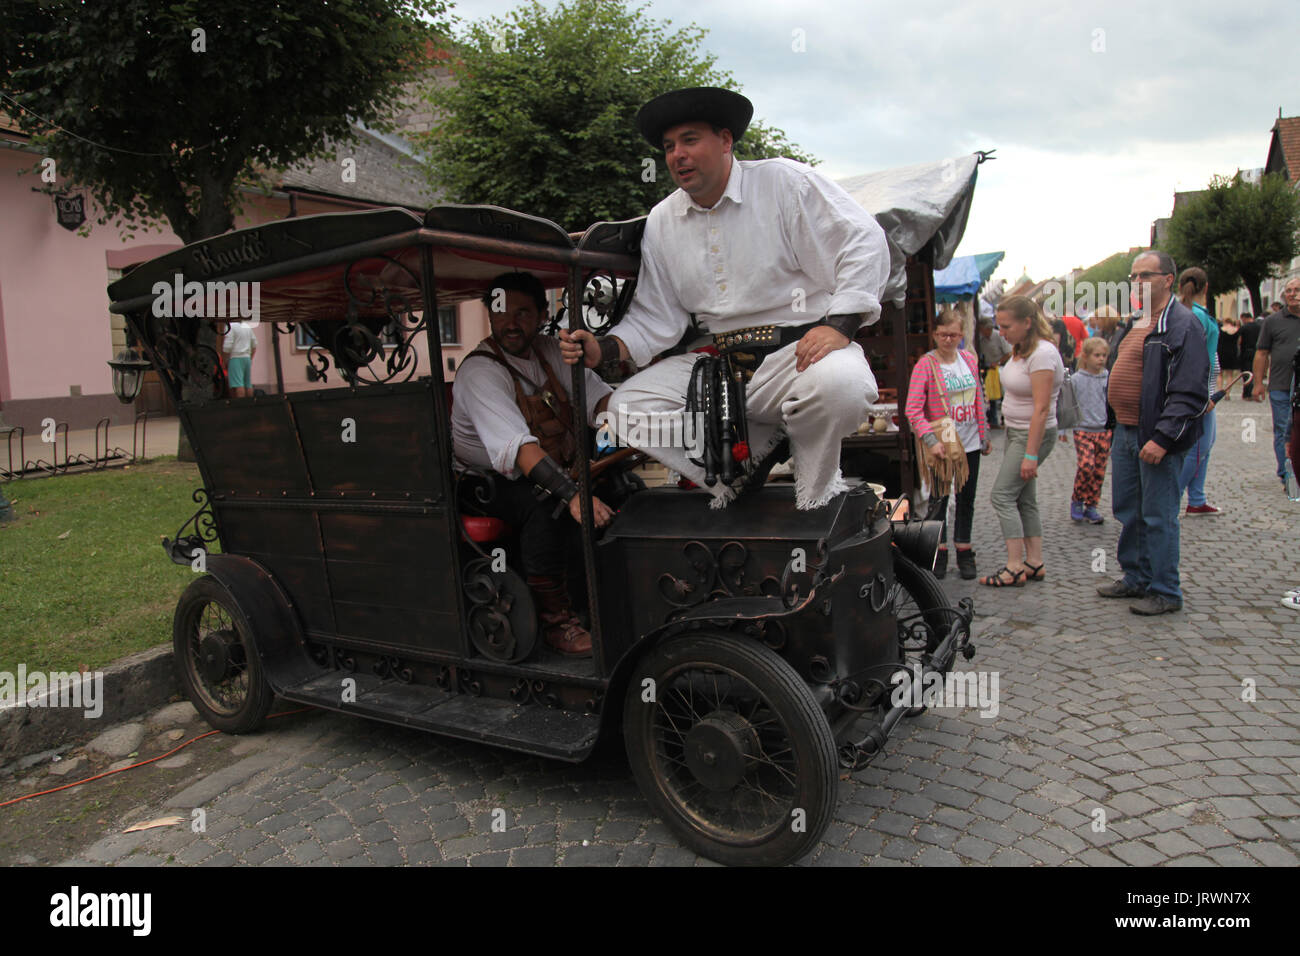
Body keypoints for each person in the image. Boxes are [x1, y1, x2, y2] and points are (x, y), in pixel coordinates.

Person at [560, 87, 889, 511]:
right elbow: (656, 318)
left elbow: (862, 241)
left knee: (840, 387)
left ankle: (815, 496)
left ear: (726, 141)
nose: (677, 154)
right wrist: (602, 347)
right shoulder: (663, 220)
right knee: (626, 409)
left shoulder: (783, 182)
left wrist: (839, 325)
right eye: (669, 146)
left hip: (799, 356)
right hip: (720, 371)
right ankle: (743, 470)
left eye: (690, 140)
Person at [453, 272, 615, 656]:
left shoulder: (549, 352)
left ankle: (606, 602)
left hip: (550, 470)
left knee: (621, 490)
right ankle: (557, 623)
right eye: (501, 312)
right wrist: (573, 494)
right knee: (546, 506)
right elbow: (519, 448)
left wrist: (630, 426)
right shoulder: (481, 370)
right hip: (485, 484)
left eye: (523, 312)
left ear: (543, 314)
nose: (511, 322)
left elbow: (601, 402)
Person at [1096, 251, 1208, 615]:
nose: (1137, 281)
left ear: (1167, 280)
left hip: (1155, 436)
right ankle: (1136, 577)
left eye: (1145, 275)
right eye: (1133, 275)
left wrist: (1162, 438)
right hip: (1127, 431)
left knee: (1159, 515)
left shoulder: (1182, 324)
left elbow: (1189, 391)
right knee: (1128, 510)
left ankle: (1165, 590)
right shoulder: (1139, 320)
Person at [981, 295, 1064, 587]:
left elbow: (1042, 408)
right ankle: (1035, 561)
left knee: (1002, 495)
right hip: (1016, 431)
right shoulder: (1021, 349)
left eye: (1006, 326)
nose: (1000, 333)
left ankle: (1015, 565)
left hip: (1031, 435)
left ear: (1027, 323)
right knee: (1025, 498)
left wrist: (1030, 455)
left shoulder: (1042, 354)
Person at [905, 308, 991, 579]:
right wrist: (930, 441)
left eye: (954, 335)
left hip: (970, 441)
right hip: (944, 442)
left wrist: (984, 434)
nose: (948, 340)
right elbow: (913, 409)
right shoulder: (925, 365)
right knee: (939, 499)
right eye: (943, 335)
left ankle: (964, 551)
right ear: (935, 334)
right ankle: (938, 553)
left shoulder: (968, 359)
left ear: (962, 334)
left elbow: (978, 398)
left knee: (967, 499)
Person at [1176, 267, 1220, 516]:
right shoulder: (1198, 315)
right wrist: (1203, 395)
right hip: (1200, 390)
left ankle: (1197, 498)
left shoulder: (1181, 310)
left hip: (1201, 387)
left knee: (1207, 443)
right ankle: (1174, 495)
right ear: (1205, 287)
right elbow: (1198, 357)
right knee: (1200, 446)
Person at [1250, 278, 1300, 488]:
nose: (1292, 293)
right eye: (1288, 290)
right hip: (1281, 384)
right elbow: (1262, 353)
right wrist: (1258, 383)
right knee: (1282, 430)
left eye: (1297, 289)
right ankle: (1287, 474)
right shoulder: (1273, 321)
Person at [1069, 337, 1112, 524]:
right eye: (1097, 355)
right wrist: (1063, 430)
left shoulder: (1107, 377)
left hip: (1103, 429)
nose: (1101, 359)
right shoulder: (1077, 379)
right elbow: (1069, 405)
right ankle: (1077, 499)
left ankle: (1092, 506)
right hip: (1082, 429)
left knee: (1099, 471)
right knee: (1086, 466)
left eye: (1104, 355)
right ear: (1085, 356)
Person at [976, 315, 1011, 428]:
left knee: (1003, 395)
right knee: (990, 395)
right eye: (984, 330)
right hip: (987, 369)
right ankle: (993, 420)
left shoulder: (998, 336)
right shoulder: (979, 339)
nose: (986, 332)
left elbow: (1008, 353)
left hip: (1000, 368)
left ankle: (1005, 419)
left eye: (988, 329)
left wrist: (998, 363)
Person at [223, 320, 257, 398]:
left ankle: (240, 407)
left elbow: (227, 347)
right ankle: (250, 406)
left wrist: (225, 360)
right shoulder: (247, 326)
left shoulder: (230, 326)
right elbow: (254, 345)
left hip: (235, 358)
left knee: (238, 385)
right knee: (248, 384)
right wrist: (250, 358)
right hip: (247, 358)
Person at [1217, 315, 1240, 397]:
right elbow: (1239, 342)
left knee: (1220, 374)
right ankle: (1228, 393)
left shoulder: (1221, 330)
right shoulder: (1236, 330)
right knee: (1230, 374)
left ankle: (1219, 391)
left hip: (1221, 352)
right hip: (1232, 352)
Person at [1239, 312, 1260, 399]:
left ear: (1244, 318)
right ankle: (1254, 390)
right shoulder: (1259, 326)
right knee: (1256, 372)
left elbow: (1239, 341)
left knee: (1247, 373)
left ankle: (1247, 393)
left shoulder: (1244, 327)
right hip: (1257, 351)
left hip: (1246, 352)